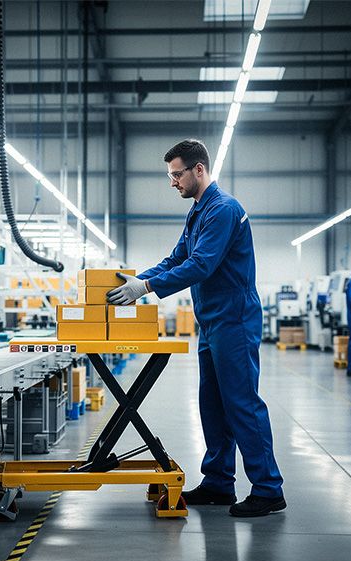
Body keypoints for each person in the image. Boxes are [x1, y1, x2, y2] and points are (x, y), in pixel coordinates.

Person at [107, 139, 285, 518]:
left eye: (176, 174)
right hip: (212, 321)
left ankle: (269, 488)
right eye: (170, 175)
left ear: (198, 170)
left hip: (234, 320)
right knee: (213, 404)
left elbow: (201, 265)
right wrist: (137, 281)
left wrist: (148, 288)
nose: (173, 182)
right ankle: (220, 482)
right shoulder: (199, 211)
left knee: (241, 402)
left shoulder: (222, 210)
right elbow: (177, 258)